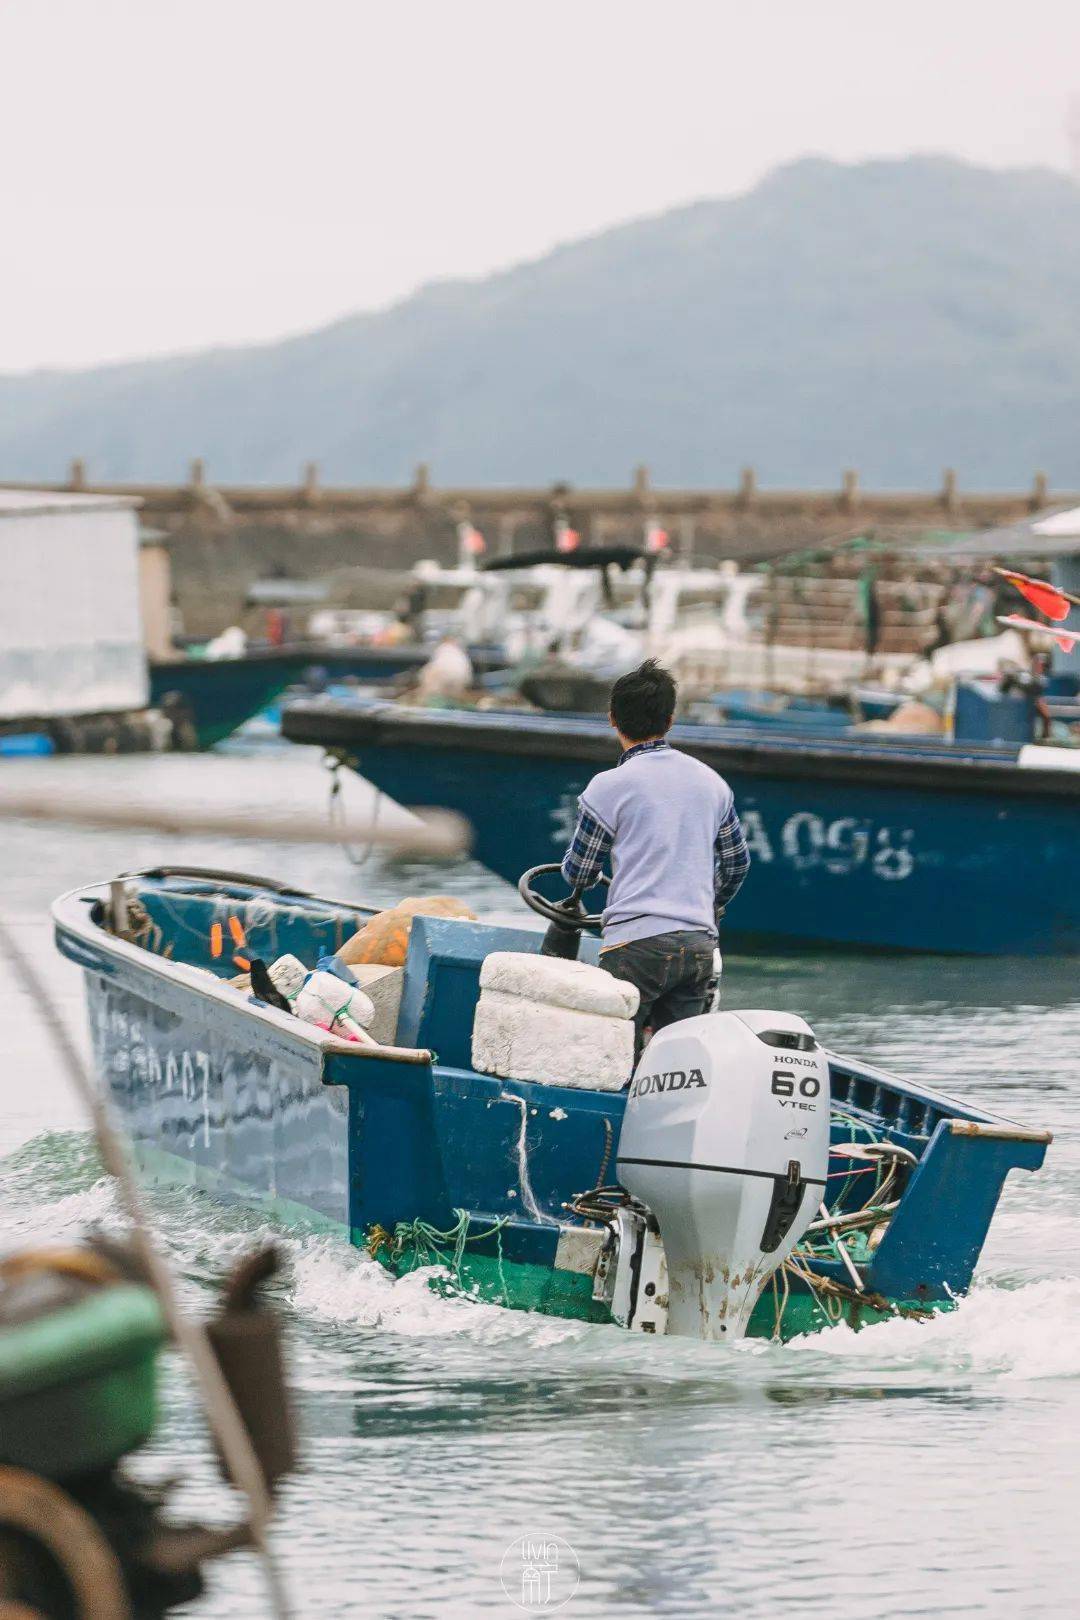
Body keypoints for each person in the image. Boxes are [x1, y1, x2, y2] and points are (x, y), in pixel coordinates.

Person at [560, 659, 750, 1058]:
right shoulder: (712, 782)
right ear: (671, 719)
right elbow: (736, 865)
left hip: (635, 949)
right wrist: (710, 907)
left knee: (610, 1062)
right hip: (699, 946)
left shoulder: (609, 786)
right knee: (673, 1069)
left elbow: (579, 872)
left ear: (612, 719)